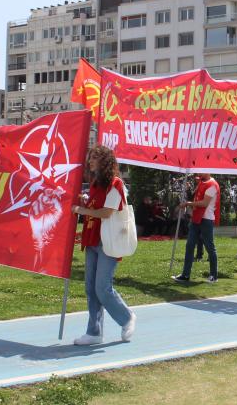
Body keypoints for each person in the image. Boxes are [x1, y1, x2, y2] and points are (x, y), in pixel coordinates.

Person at [72, 145, 136, 345]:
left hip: (107, 240)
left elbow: (106, 213)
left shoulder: (115, 184)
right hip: (92, 239)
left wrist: (81, 209)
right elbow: (95, 205)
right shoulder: (95, 183)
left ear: (105, 161)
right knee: (90, 289)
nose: (90, 161)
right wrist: (85, 201)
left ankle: (126, 317)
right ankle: (94, 332)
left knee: (102, 288)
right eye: (90, 158)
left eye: (94, 158)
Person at [173, 173, 220, 284]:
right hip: (196, 219)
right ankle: (185, 275)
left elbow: (204, 203)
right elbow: (196, 197)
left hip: (206, 220)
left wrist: (188, 203)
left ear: (207, 171)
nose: (198, 173)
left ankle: (213, 275)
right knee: (190, 246)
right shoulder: (201, 182)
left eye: (201, 171)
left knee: (210, 247)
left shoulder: (212, 185)